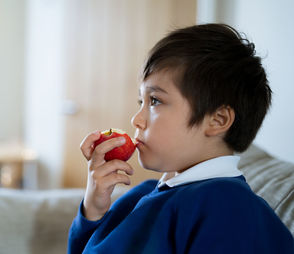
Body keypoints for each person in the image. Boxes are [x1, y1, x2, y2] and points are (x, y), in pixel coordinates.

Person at [67, 23, 294, 253]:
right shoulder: (143, 193)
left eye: (155, 101)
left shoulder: (229, 207)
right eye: (140, 102)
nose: (136, 119)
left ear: (218, 120)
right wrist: (93, 209)